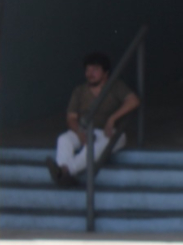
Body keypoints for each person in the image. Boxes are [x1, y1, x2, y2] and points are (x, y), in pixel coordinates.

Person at [46, 52, 140, 186]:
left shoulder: (115, 86)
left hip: (111, 132)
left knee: (94, 147)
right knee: (64, 139)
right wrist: (80, 133)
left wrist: (112, 118)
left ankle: (64, 172)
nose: (90, 74)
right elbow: (71, 118)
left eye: (95, 70)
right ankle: (65, 174)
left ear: (106, 72)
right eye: (88, 70)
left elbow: (133, 101)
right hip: (85, 131)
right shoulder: (80, 90)